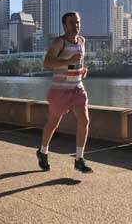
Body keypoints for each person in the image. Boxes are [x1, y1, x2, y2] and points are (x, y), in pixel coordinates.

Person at [36, 12, 92, 173]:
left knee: (84, 120)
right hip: (60, 90)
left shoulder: (82, 41)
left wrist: (81, 70)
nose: (76, 26)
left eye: (78, 22)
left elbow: (76, 63)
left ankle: (79, 159)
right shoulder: (59, 42)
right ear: (64, 25)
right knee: (53, 122)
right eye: (72, 23)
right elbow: (47, 63)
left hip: (77, 88)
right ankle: (43, 151)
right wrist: (68, 61)